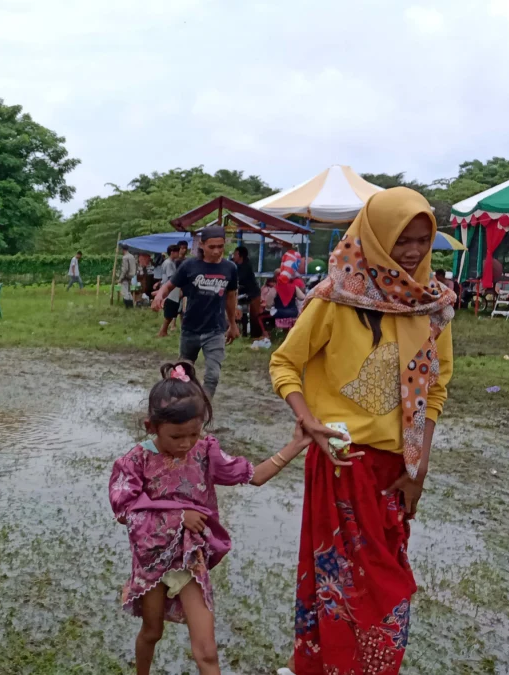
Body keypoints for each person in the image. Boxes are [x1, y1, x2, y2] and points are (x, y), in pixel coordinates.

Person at [268, 187, 456, 675]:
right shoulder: (337, 298)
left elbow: (436, 390)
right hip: (341, 465)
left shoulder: (433, 306)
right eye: (400, 240)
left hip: (396, 472)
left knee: (384, 585)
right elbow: (285, 362)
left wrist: (419, 470)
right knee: (336, 584)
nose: (413, 252)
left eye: (422, 240)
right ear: (374, 239)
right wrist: (307, 420)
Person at [110, 362, 311, 675]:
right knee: (152, 632)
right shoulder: (135, 461)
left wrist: (297, 444)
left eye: (194, 433)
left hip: (192, 561)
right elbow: (125, 511)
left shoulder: (205, 451)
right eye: (177, 436)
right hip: (152, 564)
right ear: (151, 427)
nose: (186, 444)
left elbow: (253, 476)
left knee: (207, 651)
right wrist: (179, 516)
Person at [150, 227, 240, 398]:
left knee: (212, 375)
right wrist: (160, 296)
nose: (216, 251)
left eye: (220, 247)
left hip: (215, 330)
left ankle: (203, 410)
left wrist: (233, 324)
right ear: (202, 245)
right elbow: (170, 285)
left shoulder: (230, 268)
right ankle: (181, 405)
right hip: (190, 328)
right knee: (183, 372)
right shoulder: (190, 265)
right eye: (212, 247)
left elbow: (230, 296)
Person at [231, 246, 265, 339]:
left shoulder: (246, 266)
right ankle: (243, 333)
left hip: (253, 293)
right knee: (241, 313)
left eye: (235, 254)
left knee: (254, 315)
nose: (233, 255)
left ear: (240, 255)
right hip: (243, 293)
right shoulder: (235, 265)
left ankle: (256, 335)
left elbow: (239, 279)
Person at [157, 245, 182, 337]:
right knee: (169, 312)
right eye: (177, 252)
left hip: (173, 291)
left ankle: (164, 331)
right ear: (172, 252)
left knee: (172, 312)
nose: (178, 254)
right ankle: (162, 331)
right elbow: (171, 278)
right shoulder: (168, 263)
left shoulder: (172, 262)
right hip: (170, 291)